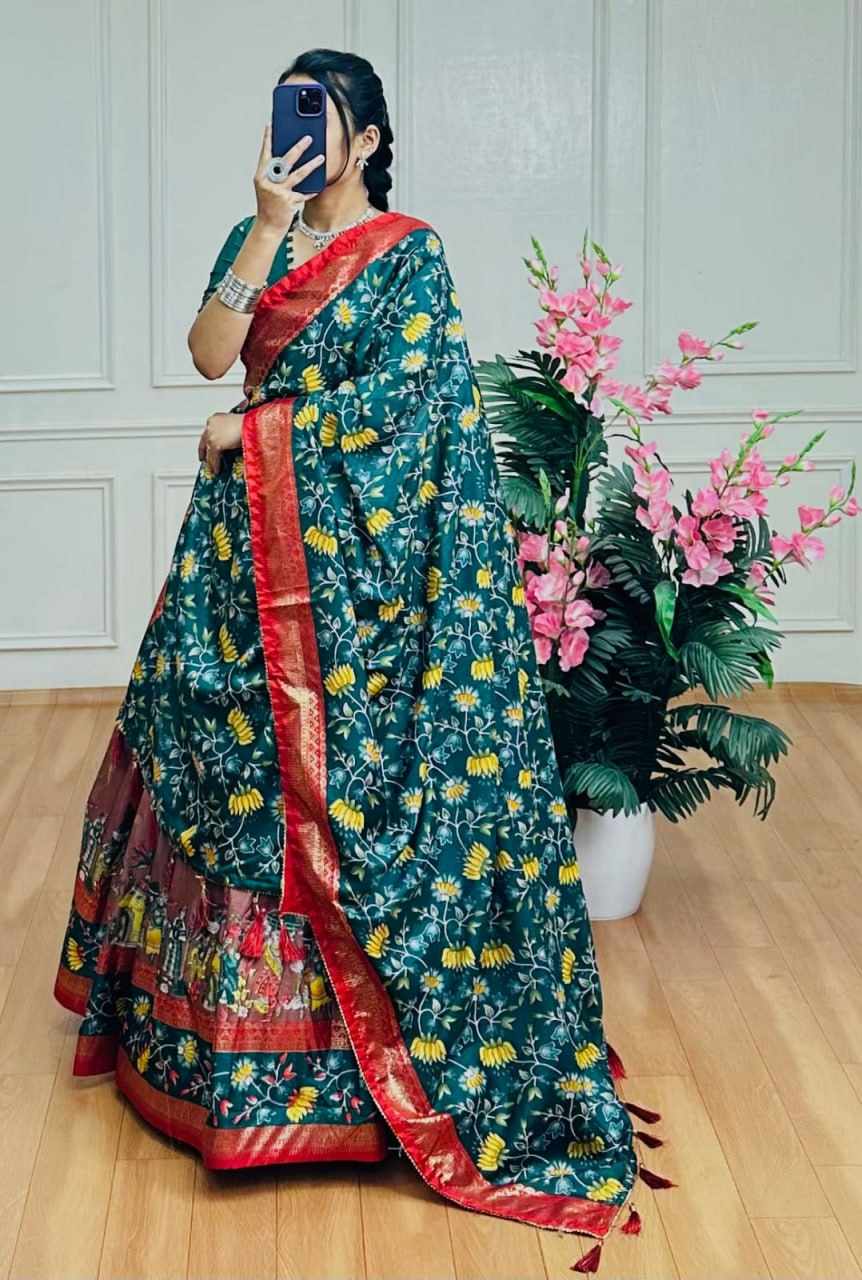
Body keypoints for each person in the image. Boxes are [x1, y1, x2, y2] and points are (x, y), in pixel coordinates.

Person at [54, 47, 659, 1268]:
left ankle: (356, 1075)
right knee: (230, 784)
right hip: (243, 564)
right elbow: (209, 353)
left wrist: (255, 433)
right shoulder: (262, 237)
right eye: (284, 109)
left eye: (317, 113)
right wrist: (261, 227)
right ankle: (222, 1061)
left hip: (359, 589)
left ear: (368, 139)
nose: (296, 131)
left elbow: (410, 414)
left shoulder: (407, 255)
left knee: (341, 798)